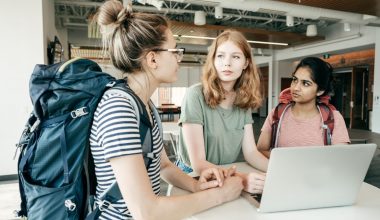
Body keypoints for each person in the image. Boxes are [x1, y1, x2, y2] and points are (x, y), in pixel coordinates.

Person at [91, 1, 243, 219]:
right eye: (175, 51)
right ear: (152, 59)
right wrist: (222, 195)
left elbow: (163, 165)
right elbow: (146, 211)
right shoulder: (119, 108)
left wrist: (195, 184)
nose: (179, 58)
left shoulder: (145, 104)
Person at [177, 29, 268, 194]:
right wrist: (241, 179)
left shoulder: (243, 100)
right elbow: (198, 163)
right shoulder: (195, 95)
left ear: (246, 63)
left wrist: (276, 171)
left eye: (235, 57)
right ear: (212, 60)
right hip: (194, 177)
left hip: (227, 175)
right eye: (220, 56)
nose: (227, 63)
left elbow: (251, 152)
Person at [257, 57, 350, 157]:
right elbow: (261, 149)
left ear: (320, 91)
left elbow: (341, 157)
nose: (296, 88)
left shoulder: (333, 118)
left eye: (305, 83)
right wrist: (287, 164)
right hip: (284, 171)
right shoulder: (277, 113)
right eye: (295, 80)